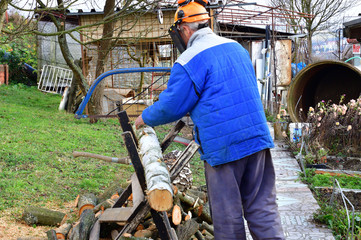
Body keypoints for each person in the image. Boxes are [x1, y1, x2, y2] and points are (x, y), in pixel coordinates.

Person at [135, 0, 284, 239]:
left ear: (183, 29)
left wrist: (145, 117)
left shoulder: (189, 59)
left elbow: (172, 106)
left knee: (228, 216)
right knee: (263, 210)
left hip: (224, 149)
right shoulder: (236, 48)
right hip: (258, 140)